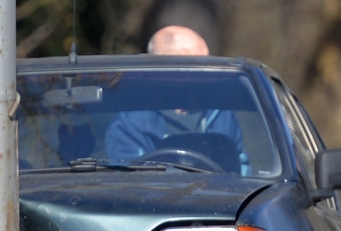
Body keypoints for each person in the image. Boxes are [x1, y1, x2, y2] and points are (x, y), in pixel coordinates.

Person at [103, 25, 244, 164]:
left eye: (207, 65)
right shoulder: (130, 124)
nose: (203, 75)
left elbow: (244, 172)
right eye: (193, 68)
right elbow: (128, 181)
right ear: (160, 70)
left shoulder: (220, 113)